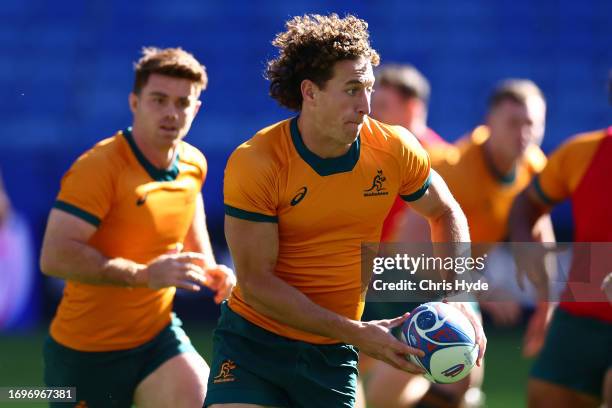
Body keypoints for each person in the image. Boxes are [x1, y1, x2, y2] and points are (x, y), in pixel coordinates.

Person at [204, 14, 485, 408]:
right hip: (254, 344)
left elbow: (445, 210)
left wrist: (457, 292)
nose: (367, 105)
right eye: (353, 90)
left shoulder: (394, 148)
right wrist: (356, 331)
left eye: (368, 88)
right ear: (310, 92)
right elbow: (256, 283)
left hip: (333, 354)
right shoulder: (257, 162)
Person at [40, 47, 235, 408]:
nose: (171, 112)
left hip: (156, 339)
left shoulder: (194, 162)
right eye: (159, 100)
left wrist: (209, 266)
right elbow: (55, 257)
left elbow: (189, 202)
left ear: (196, 109)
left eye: (182, 102)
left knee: (205, 398)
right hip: (85, 351)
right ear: (134, 102)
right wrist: (143, 275)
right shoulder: (98, 167)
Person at [365, 79, 555, 408]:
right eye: (513, 123)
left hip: (450, 281)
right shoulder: (455, 169)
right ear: (489, 123)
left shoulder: (532, 166)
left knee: (464, 371)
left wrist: (546, 301)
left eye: (532, 124)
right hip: (400, 278)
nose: (523, 133)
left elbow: (538, 227)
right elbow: (409, 246)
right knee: (406, 363)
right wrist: (475, 287)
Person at [509, 82, 612, 407]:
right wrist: (526, 248)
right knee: (546, 396)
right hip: (580, 315)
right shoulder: (582, 152)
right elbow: (526, 205)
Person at [371, 63, 449, 242]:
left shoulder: (439, 161)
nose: (372, 115)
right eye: (372, 106)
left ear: (412, 108)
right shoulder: (380, 153)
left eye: (382, 106)